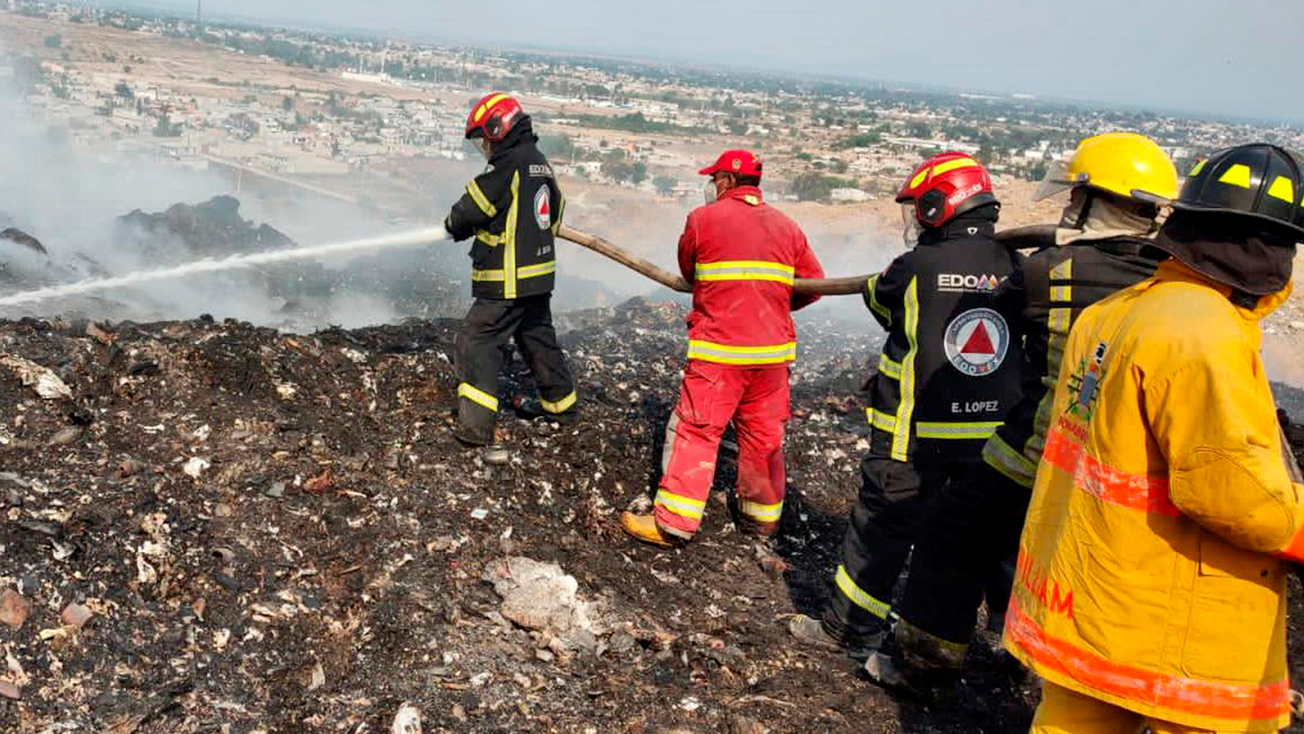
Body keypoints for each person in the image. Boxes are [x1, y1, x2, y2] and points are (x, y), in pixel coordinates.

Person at [863, 133, 1180, 694]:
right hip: (1131, 463)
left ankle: (923, 666)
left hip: (1042, 447)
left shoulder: (1046, 272)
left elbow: (989, 313)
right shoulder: (1172, 279)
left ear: (1088, 201)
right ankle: (1027, 658)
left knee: (953, 532)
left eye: (1074, 198)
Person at [1006, 143, 1304, 734]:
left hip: (1091, 605)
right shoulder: (1204, 334)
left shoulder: (1115, 313)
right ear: (1272, 251)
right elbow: (1234, 494)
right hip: (1182, 630)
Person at [790, 153, 1022, 658]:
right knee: (986, 537)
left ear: (943, 205)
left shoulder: (915, 266)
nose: (916, 217)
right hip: (991, 442)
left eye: (921, 206)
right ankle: (1010, 640)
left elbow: (879, 300)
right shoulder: (1018, 265)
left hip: (912, 437)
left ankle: (849, 629)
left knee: (882, 529)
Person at [620, 149, 825, 547]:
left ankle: (672, 525)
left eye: (715, 179)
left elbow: (688, 270)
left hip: (721, 354)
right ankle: (761, 521)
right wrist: (771, 304)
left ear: (727, 182)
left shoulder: (703, 219)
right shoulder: (788, 226)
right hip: (772, 356)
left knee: (696, 430)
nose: (711, 186)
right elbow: (813, 284)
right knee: (763, 435)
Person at [443, 92, 578, 451]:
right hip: (538, 277)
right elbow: (557, 211)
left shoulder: (508, 165)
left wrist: (453, 223)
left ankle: (475, 429)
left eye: (483, 138)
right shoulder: (539, 161)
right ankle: (560, 406)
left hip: (507, 278)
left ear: (498, 127)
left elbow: (471, 210)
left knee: (477, 340)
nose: (483, 146)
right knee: (535, 336)